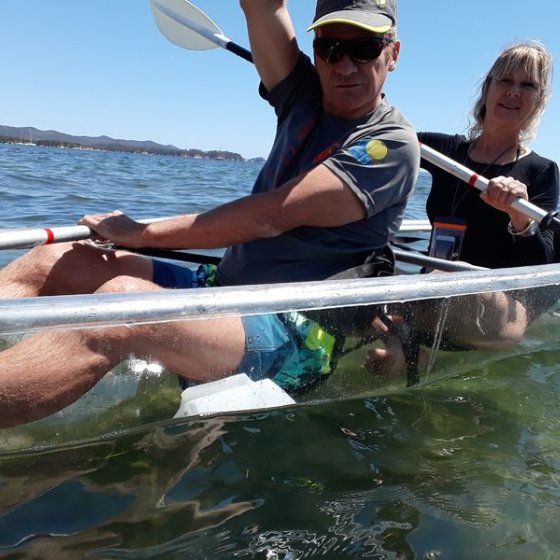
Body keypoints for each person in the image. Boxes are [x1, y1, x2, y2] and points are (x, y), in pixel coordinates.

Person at [0, 0, 419, 426]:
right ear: (315, 52)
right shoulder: (303, 98)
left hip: (297, 331)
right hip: (224, 286)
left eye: (364, 48)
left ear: (393, 53)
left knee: (120, 305)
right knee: (51, 262)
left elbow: (271, 215)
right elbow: (263, 7)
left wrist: (141, 233)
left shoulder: (391, 144)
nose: (344, 65)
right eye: (330, 48)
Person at [367, 41, 559, 377]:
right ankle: (406, 348)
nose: (514, 92)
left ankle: (399, 338)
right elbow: (382, 135)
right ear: (487, 88)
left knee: (457, 284)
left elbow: (541, 266)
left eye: (527, 85)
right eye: (505, 81)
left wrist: (520, 219)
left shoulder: (541, 172)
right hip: (432, 293)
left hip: (495, 310)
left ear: (538, 100)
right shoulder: (445, 151)